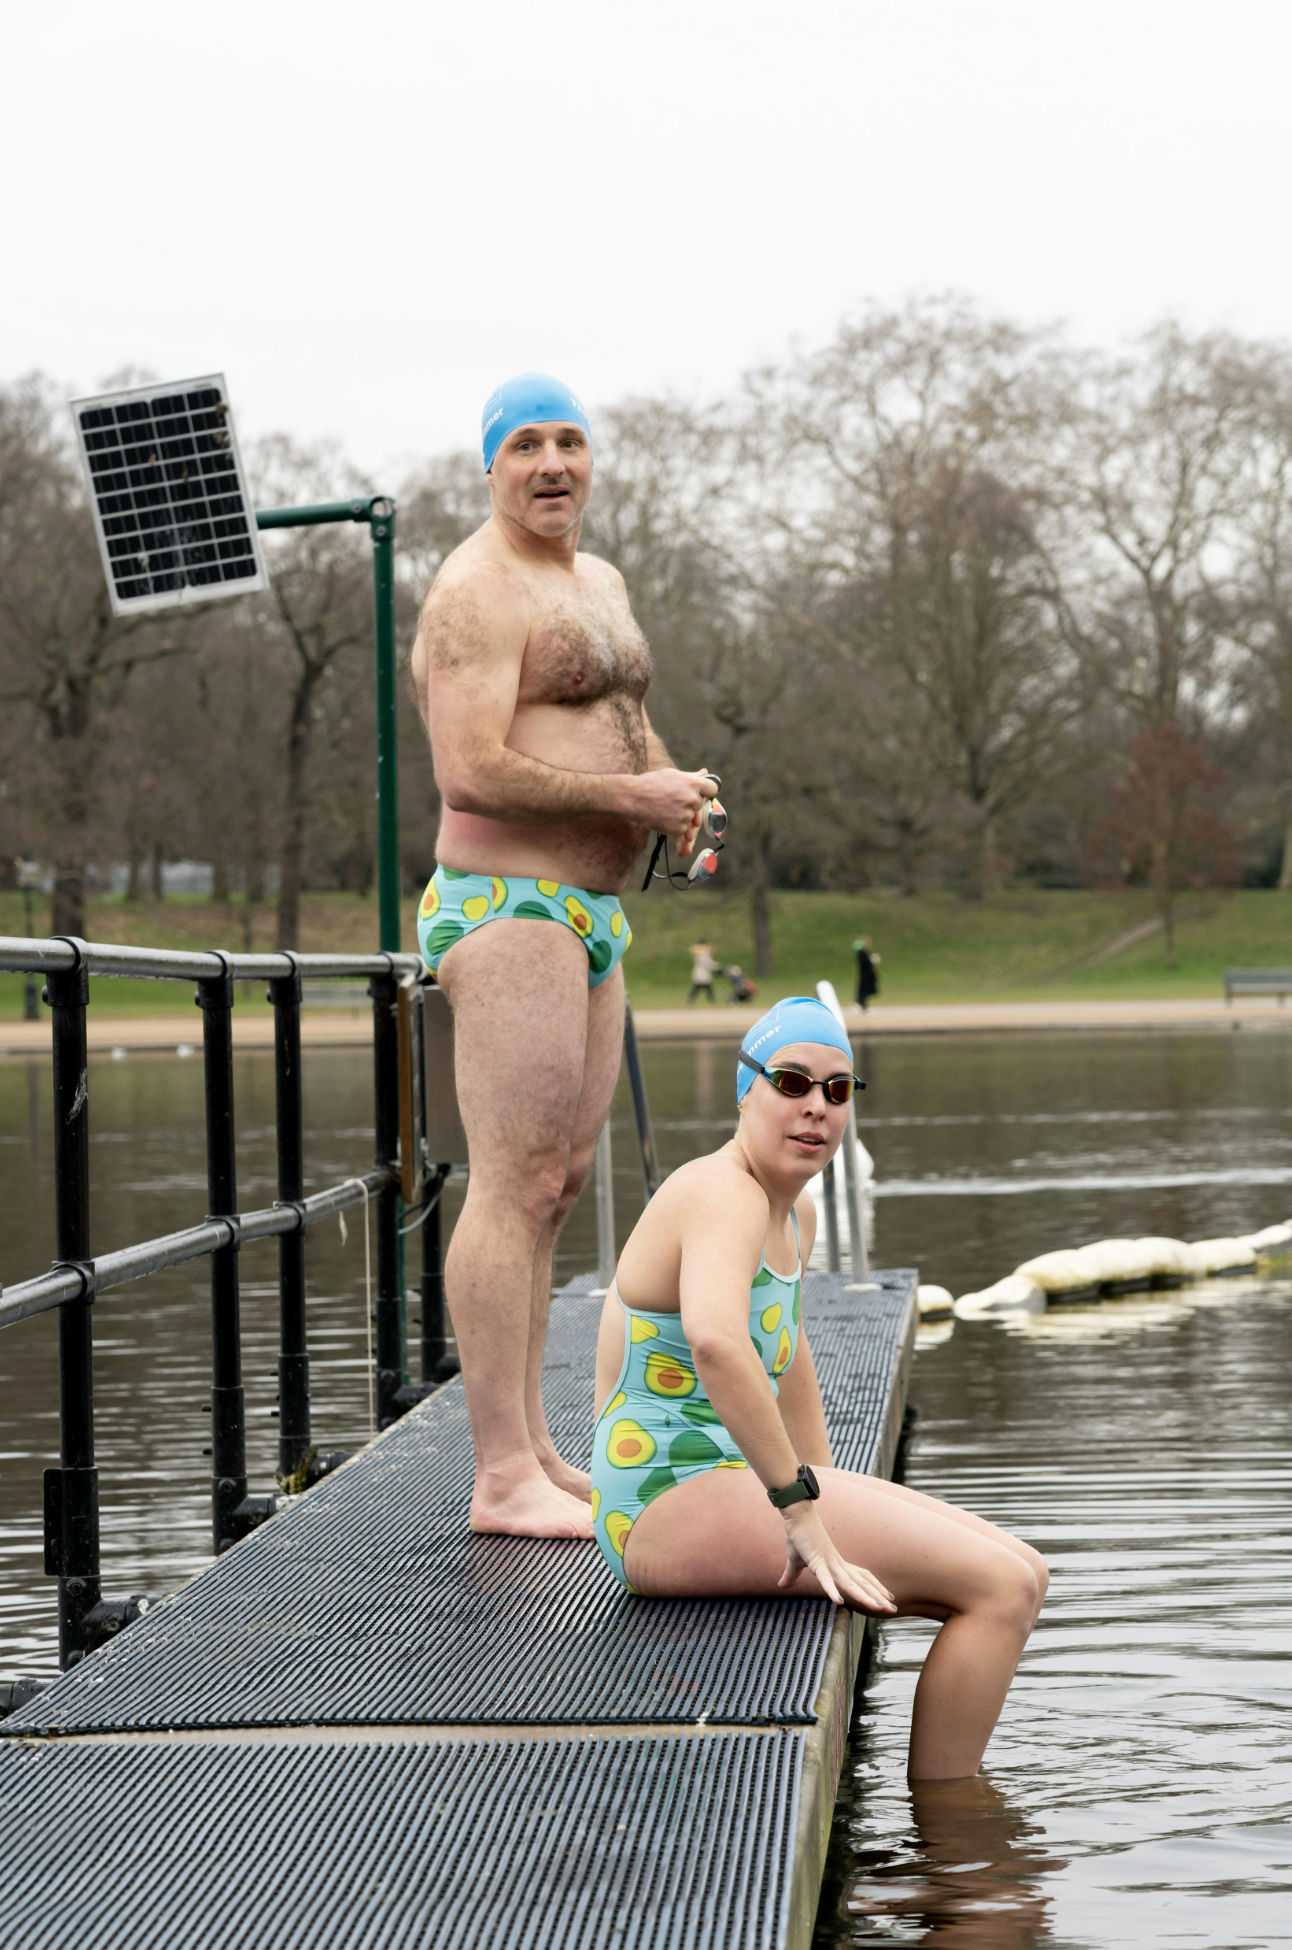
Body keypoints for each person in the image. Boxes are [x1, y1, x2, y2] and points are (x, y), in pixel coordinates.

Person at [590, 996, 1047, 1780]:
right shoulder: (720, 1192)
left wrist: (831, 1482)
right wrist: (804, 1511)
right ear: (746, 1089)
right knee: (998, 1589)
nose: (815, 1109)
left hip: (725, 1483)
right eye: (792, 1082)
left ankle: (954, 1834)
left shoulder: (790, 1209)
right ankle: (950, 1837)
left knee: (1025, 1569)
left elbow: (786, 1345)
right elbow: (717, 1341)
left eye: (837, 1091)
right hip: (665, 1497)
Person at [410, 372, 716, 1539]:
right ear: (488, 467)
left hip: (589, 915)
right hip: (507, 903)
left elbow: (620, 723)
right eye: (524, 444)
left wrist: (673, 802)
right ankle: (498, 1478)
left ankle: (537, 1448)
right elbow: (469, 768)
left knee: (560, 1183)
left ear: (592, 461)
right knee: (511, 1181)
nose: (550, 463)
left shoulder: (598, 582)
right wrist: (626, 791)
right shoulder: (472, 593)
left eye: (569, 441)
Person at [853, 935, 880, 1010]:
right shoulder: (861, 952)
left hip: (867, 974)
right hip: (865, 974)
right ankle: (860, 1003)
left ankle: (863, 1004)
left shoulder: (864, 952)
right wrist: (872, 960)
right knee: (864, 989)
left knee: (866, 989)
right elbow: (865, 962)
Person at [688, 939, 718, 1004]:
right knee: (702, 988)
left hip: (702, 973)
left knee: (704, 988)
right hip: (702, 974)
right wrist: (716, 967)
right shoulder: (702, 955)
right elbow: (707, 963)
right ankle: (711, 1001)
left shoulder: (700, 954)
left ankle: (691, 1000)